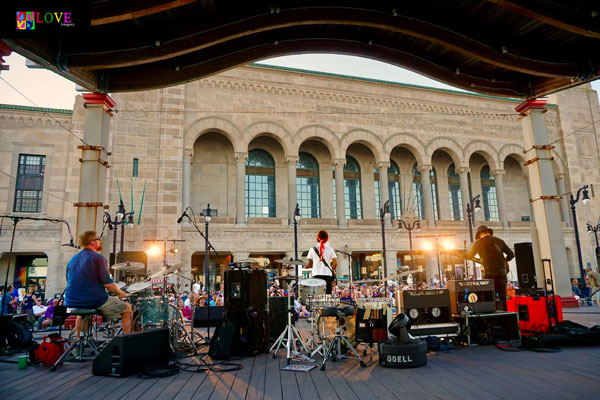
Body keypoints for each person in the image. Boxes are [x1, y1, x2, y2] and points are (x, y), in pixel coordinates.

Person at [65, 231, 132, 336]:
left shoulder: (73, 259)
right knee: (127, 308)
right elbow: (108, 285)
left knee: (83, 313)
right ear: (93, 242)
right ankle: (129, 340)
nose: (100, 241)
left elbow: (70, 280)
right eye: (98, 239)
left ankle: (79, 343)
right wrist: (120, 293)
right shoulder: (98, 258)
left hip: (72, 300)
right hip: (93, 300)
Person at [467, 225, 515, 311]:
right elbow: (511, 255)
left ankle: (493, 319)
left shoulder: (478, 243)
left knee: (489, 298)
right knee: (503, 298)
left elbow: (469, 255)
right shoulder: (499, 241)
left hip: (489, 274)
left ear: (480, 234)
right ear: (489, 232)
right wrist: (505, 261)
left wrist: (457, 255)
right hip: (502, 273)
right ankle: (506, 317)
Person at [305, 229, 337, 294]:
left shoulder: (312, 249)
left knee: (316, 296)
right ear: (327, 239)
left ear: (317, 238)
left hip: (316, 275)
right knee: (327, 296)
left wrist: (306, 266)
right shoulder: (330, 249)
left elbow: (309, 264)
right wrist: (331, 268)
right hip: (327, 275)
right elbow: (335, 263)